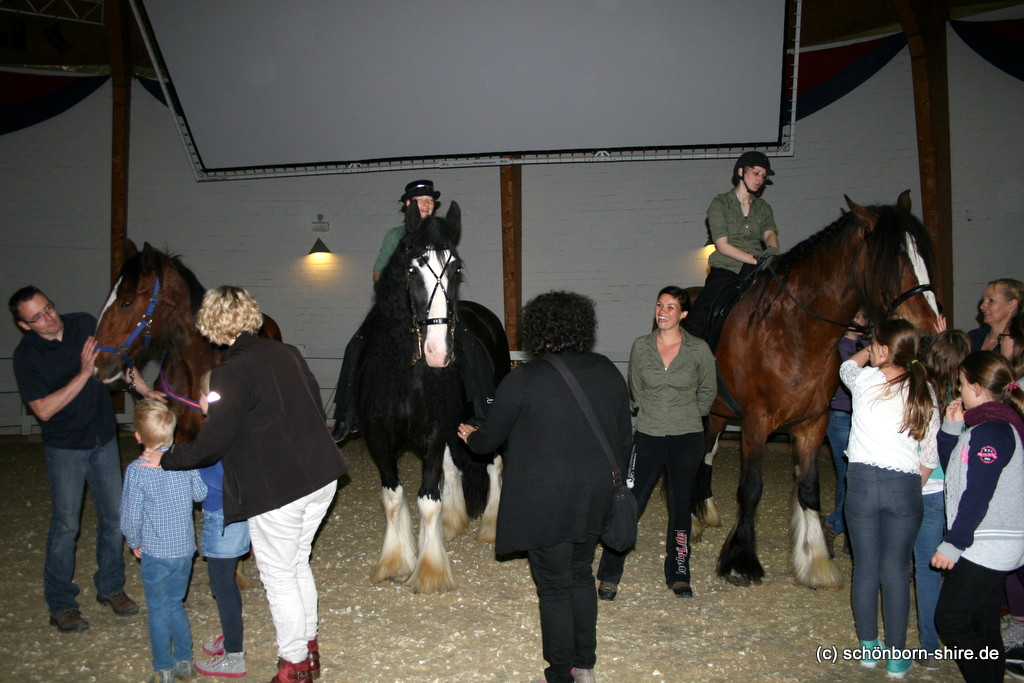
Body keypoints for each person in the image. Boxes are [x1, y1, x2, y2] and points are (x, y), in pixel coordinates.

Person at [151, 286, 348, 683]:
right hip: (322, 475)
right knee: (296, 565)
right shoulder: (288, 352)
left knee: (278, 576)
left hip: (280, 488)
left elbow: (211, 444)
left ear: (210, 326)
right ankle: (308, 650)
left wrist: (167, 457)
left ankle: (293, 667)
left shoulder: (229, 372)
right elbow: (310, 402)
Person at [457, 291, 631, 683]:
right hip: (593, 496)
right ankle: (584, 664)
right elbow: (623, 439)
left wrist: (470, 435)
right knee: (581, 575)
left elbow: (488, 442)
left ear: (538, 330)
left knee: (553, 587)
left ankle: (560, 674)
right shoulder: (607, 370)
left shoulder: (524, 380)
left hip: (545, 500)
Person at [8, 285, 140, 631]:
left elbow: (117, 362)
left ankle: (111, 587)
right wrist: (83, 374)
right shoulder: (26, 356)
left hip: (103, 440)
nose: (49, 318)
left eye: (48, 307)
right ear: (24, 325)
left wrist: (144, 390)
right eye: (37, 317)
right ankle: (61, 604)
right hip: (66, 448)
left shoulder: (83, 324)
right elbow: (44, 410)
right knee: (66, 528)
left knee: (115, 519)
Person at [330, 179, 494, 441]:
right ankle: (346, 415)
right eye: (421, 200)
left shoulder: (441, 233)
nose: (427, 204)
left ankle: (483, 408)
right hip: (398, 305)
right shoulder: (394, 236)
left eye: (430, 200)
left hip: (437, 302)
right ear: (408, 205)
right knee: (356, 344)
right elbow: (377, 274)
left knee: (471, 343)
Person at [595, 286, 715, 601]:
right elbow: (635, 389)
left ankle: (679, 573)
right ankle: (609, 574)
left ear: (684, 314)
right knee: (628, 503)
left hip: (686, 438)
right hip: (647, 435)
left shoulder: (698, 349)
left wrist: (684, 416)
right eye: (659, 305)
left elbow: (707, 394)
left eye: (671, 307)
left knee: (680, 508)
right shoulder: (642, 346)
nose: (662, 311)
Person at [840, 319, 939, 679]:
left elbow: (847, 366)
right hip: (905, 485)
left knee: (865, 568)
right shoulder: (924, 389)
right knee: (897, 571)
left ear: (881, 349)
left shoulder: (865, 381)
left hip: (863, 482)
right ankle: (897, 656)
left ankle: (869, 646)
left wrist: (869, 349)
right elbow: (929, 455)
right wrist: (912, 484)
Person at [933, 351, 1024, 683]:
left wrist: (953, 542)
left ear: (975, 385)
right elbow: (956, 470)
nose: (958, 392)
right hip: (986, 542)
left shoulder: (994, 431)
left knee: (951, 620)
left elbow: (977, 494)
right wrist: (950, 428)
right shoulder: (984, 427)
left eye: (961, 384)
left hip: (987, 543)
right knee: (983, 622)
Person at [121, 399, 207, 683]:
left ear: (137, 436)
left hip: (156, 551)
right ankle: (185, 661)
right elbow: (200, 494)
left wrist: (133, 540)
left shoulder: (137, 471)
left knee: (158, 608)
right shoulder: (182, 462)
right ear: (173, 434)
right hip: (184, 550)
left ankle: (164, 667)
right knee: (175, 604)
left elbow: (130, 515)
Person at [914, 324, 971, 670]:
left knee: (926, 569)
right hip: (961, 492)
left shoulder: (921, 392)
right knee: (958, 566)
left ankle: (930, 647)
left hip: (928, 488)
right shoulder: (970, 396)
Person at [685, 151, 780, 340]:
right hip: (728, 267)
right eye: (756, 173)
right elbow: (722, 245)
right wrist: (754, 260)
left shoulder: (763, 208)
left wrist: (773, 252)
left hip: (757, 268)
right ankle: (687, 351)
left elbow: (770, 233)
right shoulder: (720, 204)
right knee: (703, 312)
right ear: (741, 171)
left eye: (763, 175)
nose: (760, 179)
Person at [192, 371, 250, 679]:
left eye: (203, 395)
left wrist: (187, 475)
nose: (198, 400)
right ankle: (231, 638)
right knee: (226, 584)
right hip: (239, 517)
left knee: (222, 587)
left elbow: (210, 484)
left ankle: (234, 655)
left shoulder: (214, 435)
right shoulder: (241, 428)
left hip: (221, 519)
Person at [821, 310, 866, 559]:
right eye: (857, 315)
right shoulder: (836, 346)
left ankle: (839, 525)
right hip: (841, 415)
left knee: (851, 477)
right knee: (848, 475)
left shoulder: (868, 344)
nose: (861, 320)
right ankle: (837, 524)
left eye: (863, 316)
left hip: (864, 417)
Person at [968, 278, 1024, 377]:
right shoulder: (973, 336)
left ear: (1012, 305)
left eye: (991, 301)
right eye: (983, 300)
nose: (982, 306)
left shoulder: (1017, 345)